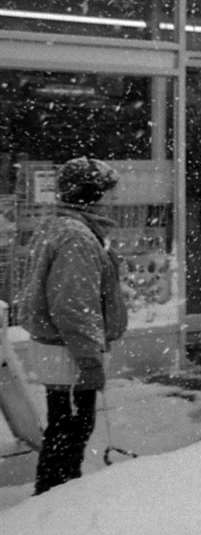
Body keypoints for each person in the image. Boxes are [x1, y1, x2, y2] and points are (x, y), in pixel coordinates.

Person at [15, 157, 128, 495]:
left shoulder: (64, 227)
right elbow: (74, 308)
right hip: (70, 354)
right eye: (109, 192)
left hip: (62, 350)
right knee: (71, 431)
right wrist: (90, 361)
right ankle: (56, 501)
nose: (114, 199)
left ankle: (53, 497)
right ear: (92, 194)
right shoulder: (77, 237)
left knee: (65, 429)